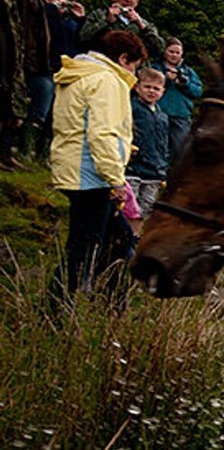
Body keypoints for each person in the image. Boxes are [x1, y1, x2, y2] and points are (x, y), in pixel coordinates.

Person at [49, 30, 146, 296]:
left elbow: (78, 124)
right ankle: (57, 309)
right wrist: (115, 179)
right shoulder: (106, 80)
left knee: (118, 238)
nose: (135, 75)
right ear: (124, 58)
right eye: (135, 67)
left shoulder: (80, 75)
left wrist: (127, 149)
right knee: (84, 247)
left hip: (75, 167)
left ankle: (111, 303)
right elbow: (102, 133)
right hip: (92, 174)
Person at [1, 0, 52, 169]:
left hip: (32, 57)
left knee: (22, 102)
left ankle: (15, 150)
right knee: (8, 100)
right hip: (10, 51)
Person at [127, 66, 170, 229]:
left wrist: (163, 168)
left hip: (154, 172)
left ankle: (134, 239)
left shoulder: (163, 116)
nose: (151, 91)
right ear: (137, 87)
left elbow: (164, 144)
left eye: (156, 88)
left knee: (145, 209)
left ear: (162, 92)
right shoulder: (131, 108)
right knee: (129, 207)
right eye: (147, 87)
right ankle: (120, 241)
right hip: (133, 169)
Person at [80, 0, 165, 58]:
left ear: (137, 1)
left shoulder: (144, 24)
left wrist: (142, 27)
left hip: (132, 68)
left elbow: (159, 50)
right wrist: (107, 22)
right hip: (103, 63)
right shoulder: (99, 14)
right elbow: (84, 37)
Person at [152, 36, 203, 161]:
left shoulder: (189, 72)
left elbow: (198, 92)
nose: (174, 55)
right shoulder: (155, 68)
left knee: (180, 150)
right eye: (171, 52)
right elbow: (148, 87)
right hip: (159, 114)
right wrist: (166, 79)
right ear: (165, 52)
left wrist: (184, 84)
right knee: (158, 148)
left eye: (177, 52)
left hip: (181, 116)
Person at [44, 0, 86, 72]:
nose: (63, 2)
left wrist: (81, 19)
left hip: (70, 66)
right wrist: (54, 7)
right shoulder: (44, 16)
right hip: (50, 66)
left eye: (66, 0)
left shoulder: (70, 21)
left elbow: (82, 40)